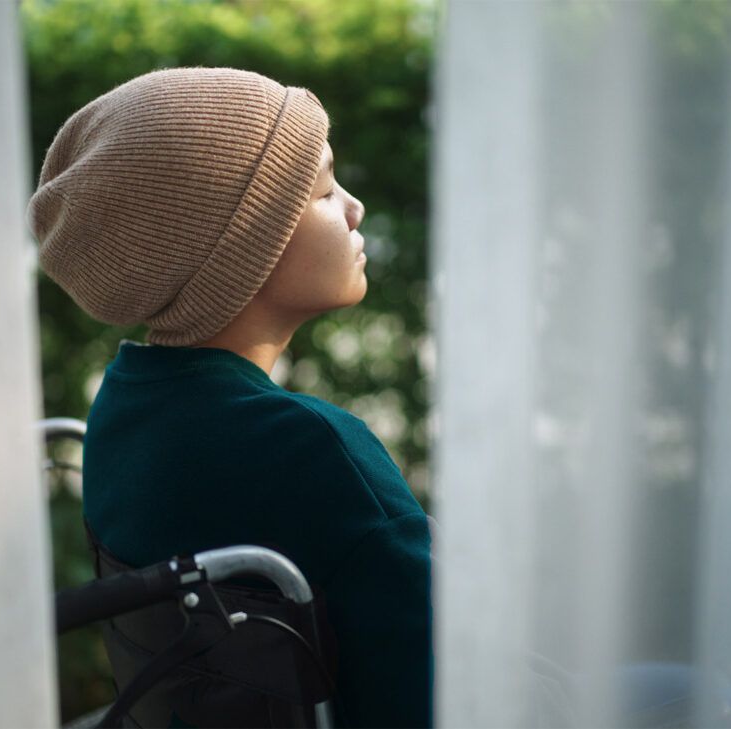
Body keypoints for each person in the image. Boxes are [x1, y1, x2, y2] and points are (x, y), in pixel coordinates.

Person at [28, 67, 432, 728]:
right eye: (326, 190)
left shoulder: (123, 411)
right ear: (247, 250)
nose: (355, 208)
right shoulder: (311, 449)